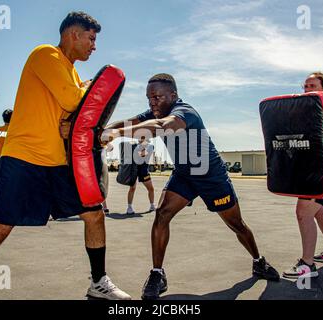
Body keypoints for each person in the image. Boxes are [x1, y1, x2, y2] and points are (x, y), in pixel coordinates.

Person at [0, 11, 130, 300]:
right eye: (91, 38)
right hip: (25, 158)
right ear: (73, 34)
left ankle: (98, 282)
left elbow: (74, 120)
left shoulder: (71, 73)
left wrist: (78, 104)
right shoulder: (46, 54)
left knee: (94, 214)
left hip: (58, 162)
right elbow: (74, 102)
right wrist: (85, 91)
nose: (94, 46)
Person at [103, 74, 279, 300]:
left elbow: (160, 127)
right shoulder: (155, 112)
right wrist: (103, 129)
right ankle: (157, 273)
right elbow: (130, 122)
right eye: (149, 98)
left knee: (236, 224)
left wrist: (116, 134)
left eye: (157, 97)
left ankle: (258, 261)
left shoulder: (184, 112)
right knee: (162, 214)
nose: (152, 103)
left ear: (173, 95)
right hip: (184, 174)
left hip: (210, 175)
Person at [282, 72, 323, 279]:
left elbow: (317, 145)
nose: (307, 89)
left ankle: (307, 265)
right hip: (313, 171)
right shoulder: (311, 112)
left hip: (318, 173)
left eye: (312, 85)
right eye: (305, 86)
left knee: (303, 213)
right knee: (320, 213)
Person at [126, 137, 156, 215]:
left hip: (143, 171)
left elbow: (142, 154)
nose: (140, 139)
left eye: (142, 138)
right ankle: (129, 207)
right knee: (132, 188)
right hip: (134, 170)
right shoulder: (135, 146)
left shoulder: (150, 146)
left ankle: (152, 205)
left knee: (151, 189)